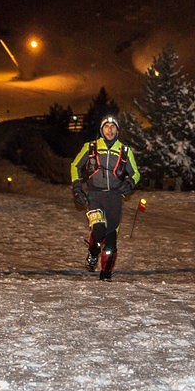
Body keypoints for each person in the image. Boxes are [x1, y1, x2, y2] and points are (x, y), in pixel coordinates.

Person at [70, 115, 141, 281]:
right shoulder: (90, 147)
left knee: (110, 241)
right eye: (106, 126)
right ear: (101, 130)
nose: (110, 130)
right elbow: (75, 166)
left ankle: (106, 273)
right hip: (95, 195)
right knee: (99, 229)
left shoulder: (125, 151)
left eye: (113, 127)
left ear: (117, 130)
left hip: (114, 198)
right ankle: (93, 252)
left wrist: (130, 183)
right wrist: (77, 187)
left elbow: (136, 173)